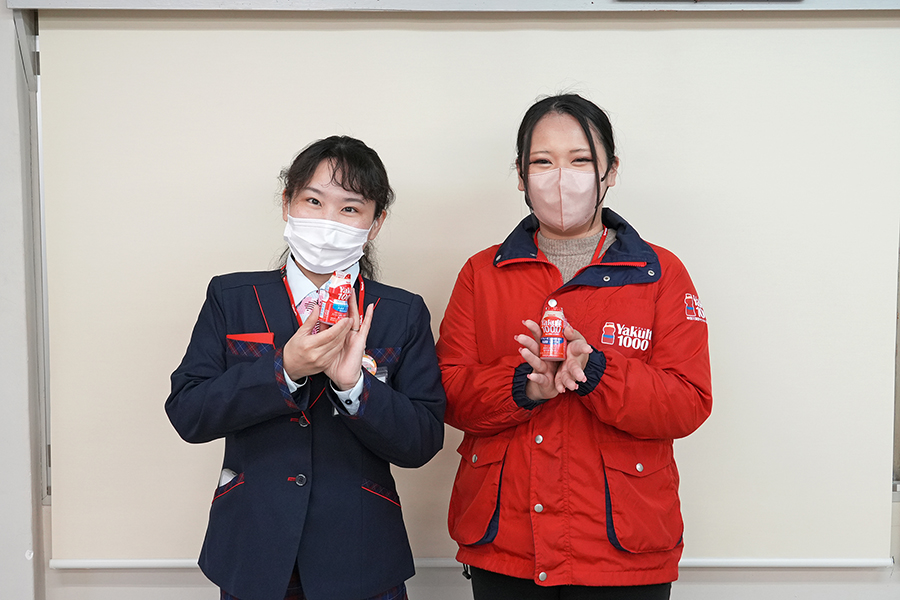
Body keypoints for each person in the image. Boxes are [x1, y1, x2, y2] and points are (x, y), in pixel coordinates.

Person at [436, 94, 712, 600]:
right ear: (520, 175)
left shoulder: (661, 273)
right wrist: (524, 387)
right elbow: (448, 393)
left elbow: (688, 402)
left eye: (580, 160)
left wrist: (598, 373)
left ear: (611, 171)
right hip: (506, 543)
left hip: (622, 552)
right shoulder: (481, 273)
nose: (561, 178)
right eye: (542, 162)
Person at [166, 136, 446, 600]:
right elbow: (188, 413)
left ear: (375, 223)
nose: (327, 221)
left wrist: (355, 387)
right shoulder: (232, 297)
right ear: (287, 204)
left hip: (361, 553)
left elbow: (422, 441)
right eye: (313, 201)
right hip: (253, 547)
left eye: (350, 208)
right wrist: (284, 369)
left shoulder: (400, 312)